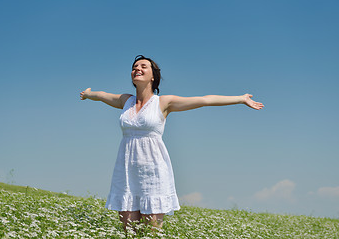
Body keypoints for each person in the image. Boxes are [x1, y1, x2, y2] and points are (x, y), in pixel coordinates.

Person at [80, 55, 264, 231]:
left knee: (151, 232)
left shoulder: (163, 102)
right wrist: (88, 94)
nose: (137, 68)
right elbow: (101, 95)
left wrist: (240, 99)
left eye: (143, 66)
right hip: (126, 171)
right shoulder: (125, 101)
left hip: (153, 172)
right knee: (129, 231)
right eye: (135, 67)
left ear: (153, 76)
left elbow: (205, 100)